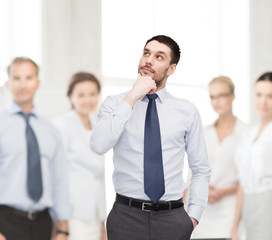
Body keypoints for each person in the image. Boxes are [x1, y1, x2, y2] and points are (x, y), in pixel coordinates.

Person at [90, 35, 211, 240]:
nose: (149, 60)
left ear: (171, 69)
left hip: (172, 219)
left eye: (159, 56)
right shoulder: (115, 104)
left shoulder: (187, 111)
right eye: (146, 53)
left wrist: (193, 217)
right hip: (125, 217)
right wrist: (132, 97)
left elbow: (200, 168)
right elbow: (98, 145)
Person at [0, 57, 70, 240]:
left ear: (38, 83)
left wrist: (63, 228)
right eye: (17, 78)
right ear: (7, 83)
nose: (23, 84)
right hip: (5, 222)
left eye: (29, 78)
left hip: (43, 224)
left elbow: (59, 180)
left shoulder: (50, 131)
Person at [231, 72, 272, 240]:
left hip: (270, 206)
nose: (263, 102)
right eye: (259, 95)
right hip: (248, 208)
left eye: (270, 96)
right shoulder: (248, 135)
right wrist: (235, 227)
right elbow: (242, 183)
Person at [191, 76, 247, 238]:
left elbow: (248, 180)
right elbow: (193, 173)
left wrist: (223, 192)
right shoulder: (204, 132)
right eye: (212, 97)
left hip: (229, 217)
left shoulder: (246, 134)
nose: (217, 101)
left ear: (233, 96)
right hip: (202, 218)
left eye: (221, 95)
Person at [53, 72, 107, 240]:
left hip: (94, 212)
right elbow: (56, 174)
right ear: (71, 97)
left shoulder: (98, 126)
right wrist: (61, 223)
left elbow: (99, 176)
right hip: (73, 213)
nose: (87, 100)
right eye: (81, 95)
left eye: (92, 94)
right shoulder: (62, 125)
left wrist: (102, 220)